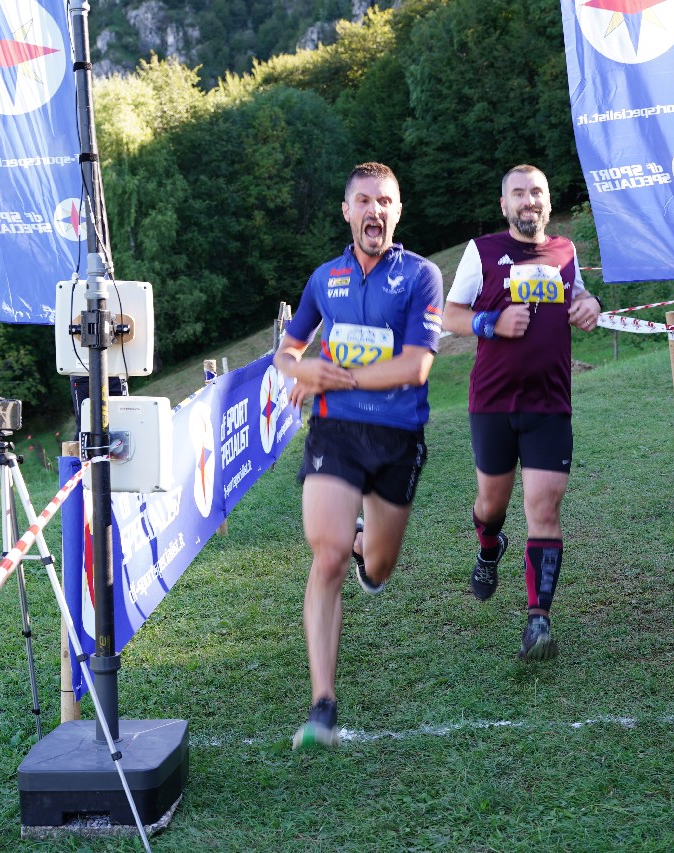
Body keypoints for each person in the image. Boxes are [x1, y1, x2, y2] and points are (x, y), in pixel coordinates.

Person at [273, 162, 443, 749]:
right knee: (327, 558)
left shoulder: (421, 275)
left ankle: (366, 543)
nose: (375, 210)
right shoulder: (325, 279)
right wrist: (300, 369)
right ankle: (322, 704)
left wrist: (334, 374)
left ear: (397, 212)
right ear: (347, 211)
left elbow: (416, 366)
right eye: (364, 201)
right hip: (336, 431)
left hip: (397, 436)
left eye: (385, 201)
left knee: (379, 568)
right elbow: (287, 352)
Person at [440, 164, 602, 662]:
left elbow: (577, 294)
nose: (528, 200)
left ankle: (538, 620)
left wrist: (590, 302)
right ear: (504, 204)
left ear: (547, 201)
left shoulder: (566, 251)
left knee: (545, 509)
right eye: (518, 193)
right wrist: (491, 322)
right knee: (492, 505)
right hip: (492, 402)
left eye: (536, 192)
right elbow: (449, 314)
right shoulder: (482, 251)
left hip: (549, 403)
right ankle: (489, 545)